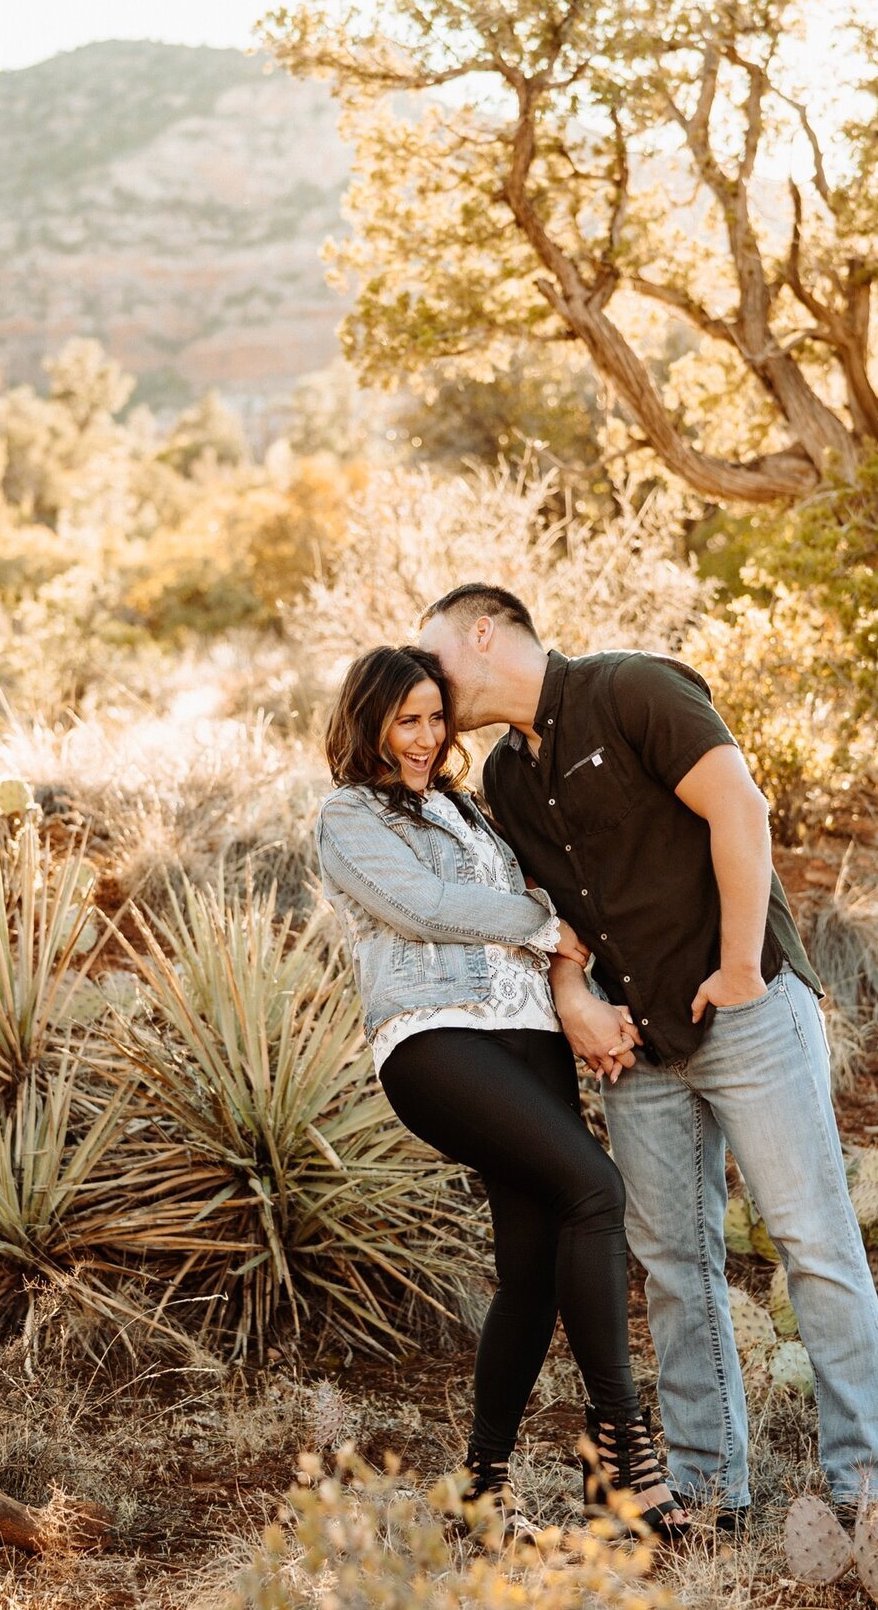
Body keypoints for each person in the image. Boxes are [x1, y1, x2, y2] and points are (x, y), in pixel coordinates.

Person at [414, 584, 878, 1524]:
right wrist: (576, 1002)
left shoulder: (630, 688)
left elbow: (740, 808)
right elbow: (555, 926)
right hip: (638, 1046)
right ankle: (710, 1487)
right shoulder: (506, 782)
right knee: (675, 1264)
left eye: (431, 652)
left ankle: (865, 1494)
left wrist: (738, 969)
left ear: (482, 633)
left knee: (814, 1244)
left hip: (748, 1009)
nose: (427, 679)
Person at [312, 644, 693, 1539]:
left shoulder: (467, 806)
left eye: (436, 717)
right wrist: (545, 923)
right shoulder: (350, 814)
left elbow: (532, 888)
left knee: (531, 1269)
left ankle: (479, 1488)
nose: (426, 736)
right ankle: (624, 1459)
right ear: (367, 719)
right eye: (406, 718)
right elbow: (423, 905)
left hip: (527, 1037)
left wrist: (575, 982)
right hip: (437, 1037)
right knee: (595, 1189)